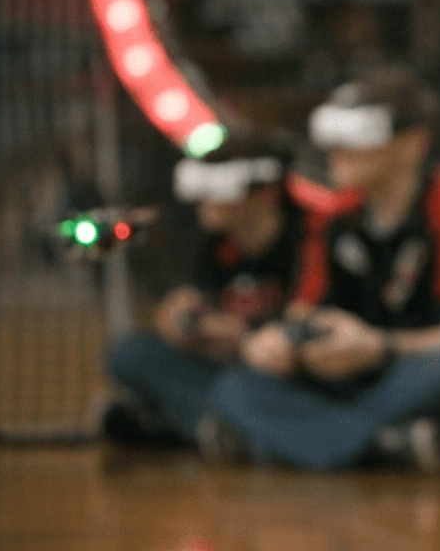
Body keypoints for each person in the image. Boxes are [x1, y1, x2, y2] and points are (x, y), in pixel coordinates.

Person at [207, 65, 440, 470]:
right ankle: (383, 445)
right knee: (237, 385)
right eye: (334, 137)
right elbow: (305, 310)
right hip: (363, 382)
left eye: (358, 137)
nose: (338, 151)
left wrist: (378, 348)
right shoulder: (333, 218)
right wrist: (281, 341)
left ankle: (312, 442)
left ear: (412, 144)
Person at [103, 133, 315, 446]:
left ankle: (202, 425)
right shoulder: (220, 244)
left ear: (267, 195)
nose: (206, 203)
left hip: (288, 371)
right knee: (127, 352)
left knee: (239, 385)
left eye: (218, 192)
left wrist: (245, 336)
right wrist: (181, 318)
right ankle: (221, 428)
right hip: (232, 367)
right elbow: (197, 305)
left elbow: (309, 325)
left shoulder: (308, 239)